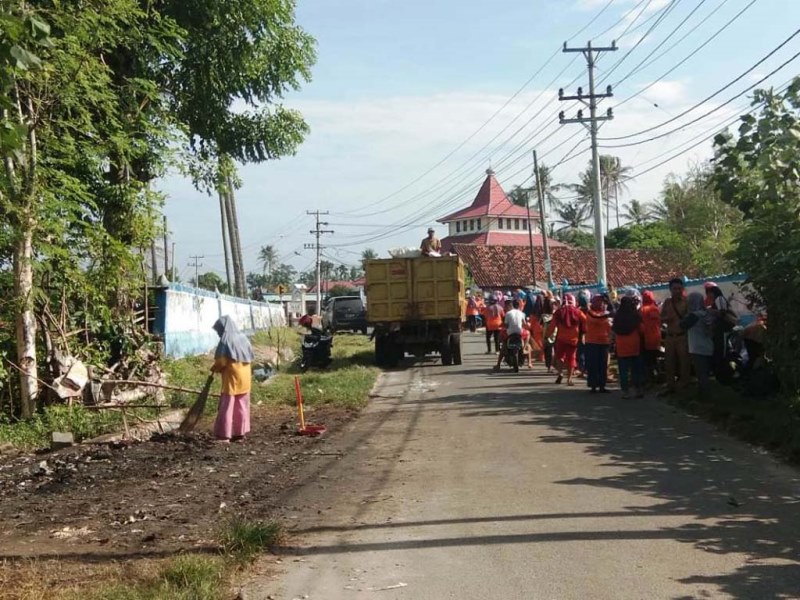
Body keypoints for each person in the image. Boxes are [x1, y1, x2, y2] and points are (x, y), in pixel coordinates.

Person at [210, 316, 254, 443]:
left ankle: (224, 435)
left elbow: (221, 361)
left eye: (219, 331)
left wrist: (214, 368)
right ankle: (240, 433)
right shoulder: (243, 338)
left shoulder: (225, 341)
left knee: (227, 406)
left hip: (232, 377)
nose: (218, 333)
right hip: (245, 376)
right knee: (241, 405)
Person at [660, 277, 691, 394]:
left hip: (682, 336)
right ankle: (670, 385)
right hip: (670, 336)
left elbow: (691, 318)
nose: (677, 291)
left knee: (684, 362)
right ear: (670, 289)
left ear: (682, 289)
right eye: (674, 288)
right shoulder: (667, 302)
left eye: (679, 288)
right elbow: (660, 318)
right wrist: (666, 319)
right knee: (669, 362)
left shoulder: (686, 302)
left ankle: (684, 384)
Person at [548, 294, 585, 386]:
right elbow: (585, 321)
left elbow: (552, 326)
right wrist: (584, 333)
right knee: (571, 358)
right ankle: (569, 379)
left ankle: (560, 372)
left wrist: (547, 336)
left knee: (560, 356)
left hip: (561, 339)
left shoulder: (558, 312)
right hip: (573, 339)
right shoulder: (578, 312)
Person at [681, 292, 714, 393]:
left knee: (701, 373)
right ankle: (705, 391)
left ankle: (704, 393)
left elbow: (682, 325)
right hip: (707, 346)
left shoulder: (694, 315)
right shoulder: (705, 313)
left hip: (697, 348)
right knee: (705, 372)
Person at [612, 296, 644, 399]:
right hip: (634, 345)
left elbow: (614, 330)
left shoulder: (617, 316)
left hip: (622, 347)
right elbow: (642, 330)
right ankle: (638, 389)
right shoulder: (635, 316)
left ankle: (625, 392)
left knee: (623, 371)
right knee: (636, 369)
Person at [584, 294, 612, 393]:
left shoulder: (605, 314)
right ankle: (593, 385)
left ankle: (602, 385)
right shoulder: (590, 313)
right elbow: (596, 319)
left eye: (603, 302)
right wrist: (608, 314)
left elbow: (609, 327)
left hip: (604, 342)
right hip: (592, 342)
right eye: (600, 301)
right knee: (593, 365)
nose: (601, 304)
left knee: (603, 365)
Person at [494, 299, 527, 371]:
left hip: (510, 334)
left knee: (503, 347)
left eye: (505, 306)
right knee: (526, 343)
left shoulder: (508, 314)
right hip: (519, 333)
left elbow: (506, 326)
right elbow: (524, 324)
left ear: (509, 306)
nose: (505, 308)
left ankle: (498, 364)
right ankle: (525, 352)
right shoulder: (521, 313)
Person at [640, 290, 662, 386]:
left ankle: (649, 379)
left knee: (647, 360)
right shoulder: (656, 309)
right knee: (655, 357)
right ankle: (659, 376)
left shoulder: (642, 310)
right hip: (656, 336)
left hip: (646, 338)